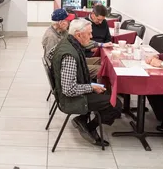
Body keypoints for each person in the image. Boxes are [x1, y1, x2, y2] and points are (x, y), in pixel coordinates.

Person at [48, 19, 122, 147]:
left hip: (67, 93)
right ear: (78, 35)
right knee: (115, 104)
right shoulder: (70, 55)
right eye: (89, 34)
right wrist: (90, 87)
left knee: (107, 91)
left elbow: (49, 55)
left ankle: (81, 119)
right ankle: (89, 127)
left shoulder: (66, 41)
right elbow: (68, 90)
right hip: (70, 100)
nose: (92, 36)